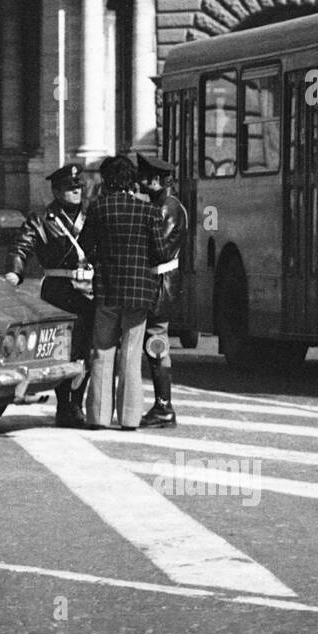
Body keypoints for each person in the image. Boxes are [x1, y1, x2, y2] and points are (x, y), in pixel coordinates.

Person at [5, 163, 95, 428]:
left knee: (83, 350)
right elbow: (20, 247)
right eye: (70, 188)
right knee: (59, 350)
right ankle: (64, 405)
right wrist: (14, 272)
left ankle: (76, 404)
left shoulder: (93, 214)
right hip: (58, 292)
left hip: (89, 292)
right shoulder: (41, 219)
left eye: (79, 187)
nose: (76, 192)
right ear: (56, 191)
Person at [82, 154, 169, 431]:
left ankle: (97, 416)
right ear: (132, 181)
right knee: (131, 355)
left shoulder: (98, 208)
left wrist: (100, 260)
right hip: (138, 292)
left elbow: (85, 245)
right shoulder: (148, 211)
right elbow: (161, 253)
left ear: (107, 181)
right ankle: (130, 418)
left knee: (102, 352)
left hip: (106, 290)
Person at [136, 154, 189, 429]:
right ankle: (162, 406)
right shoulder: (164, 205)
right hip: (162, 283)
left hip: (161, 283)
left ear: (156, 180)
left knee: (156, 343)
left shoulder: (167, 209)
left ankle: (164, 407)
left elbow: (162, 251)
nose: (140, 183)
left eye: (144, 178)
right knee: (155, 342)